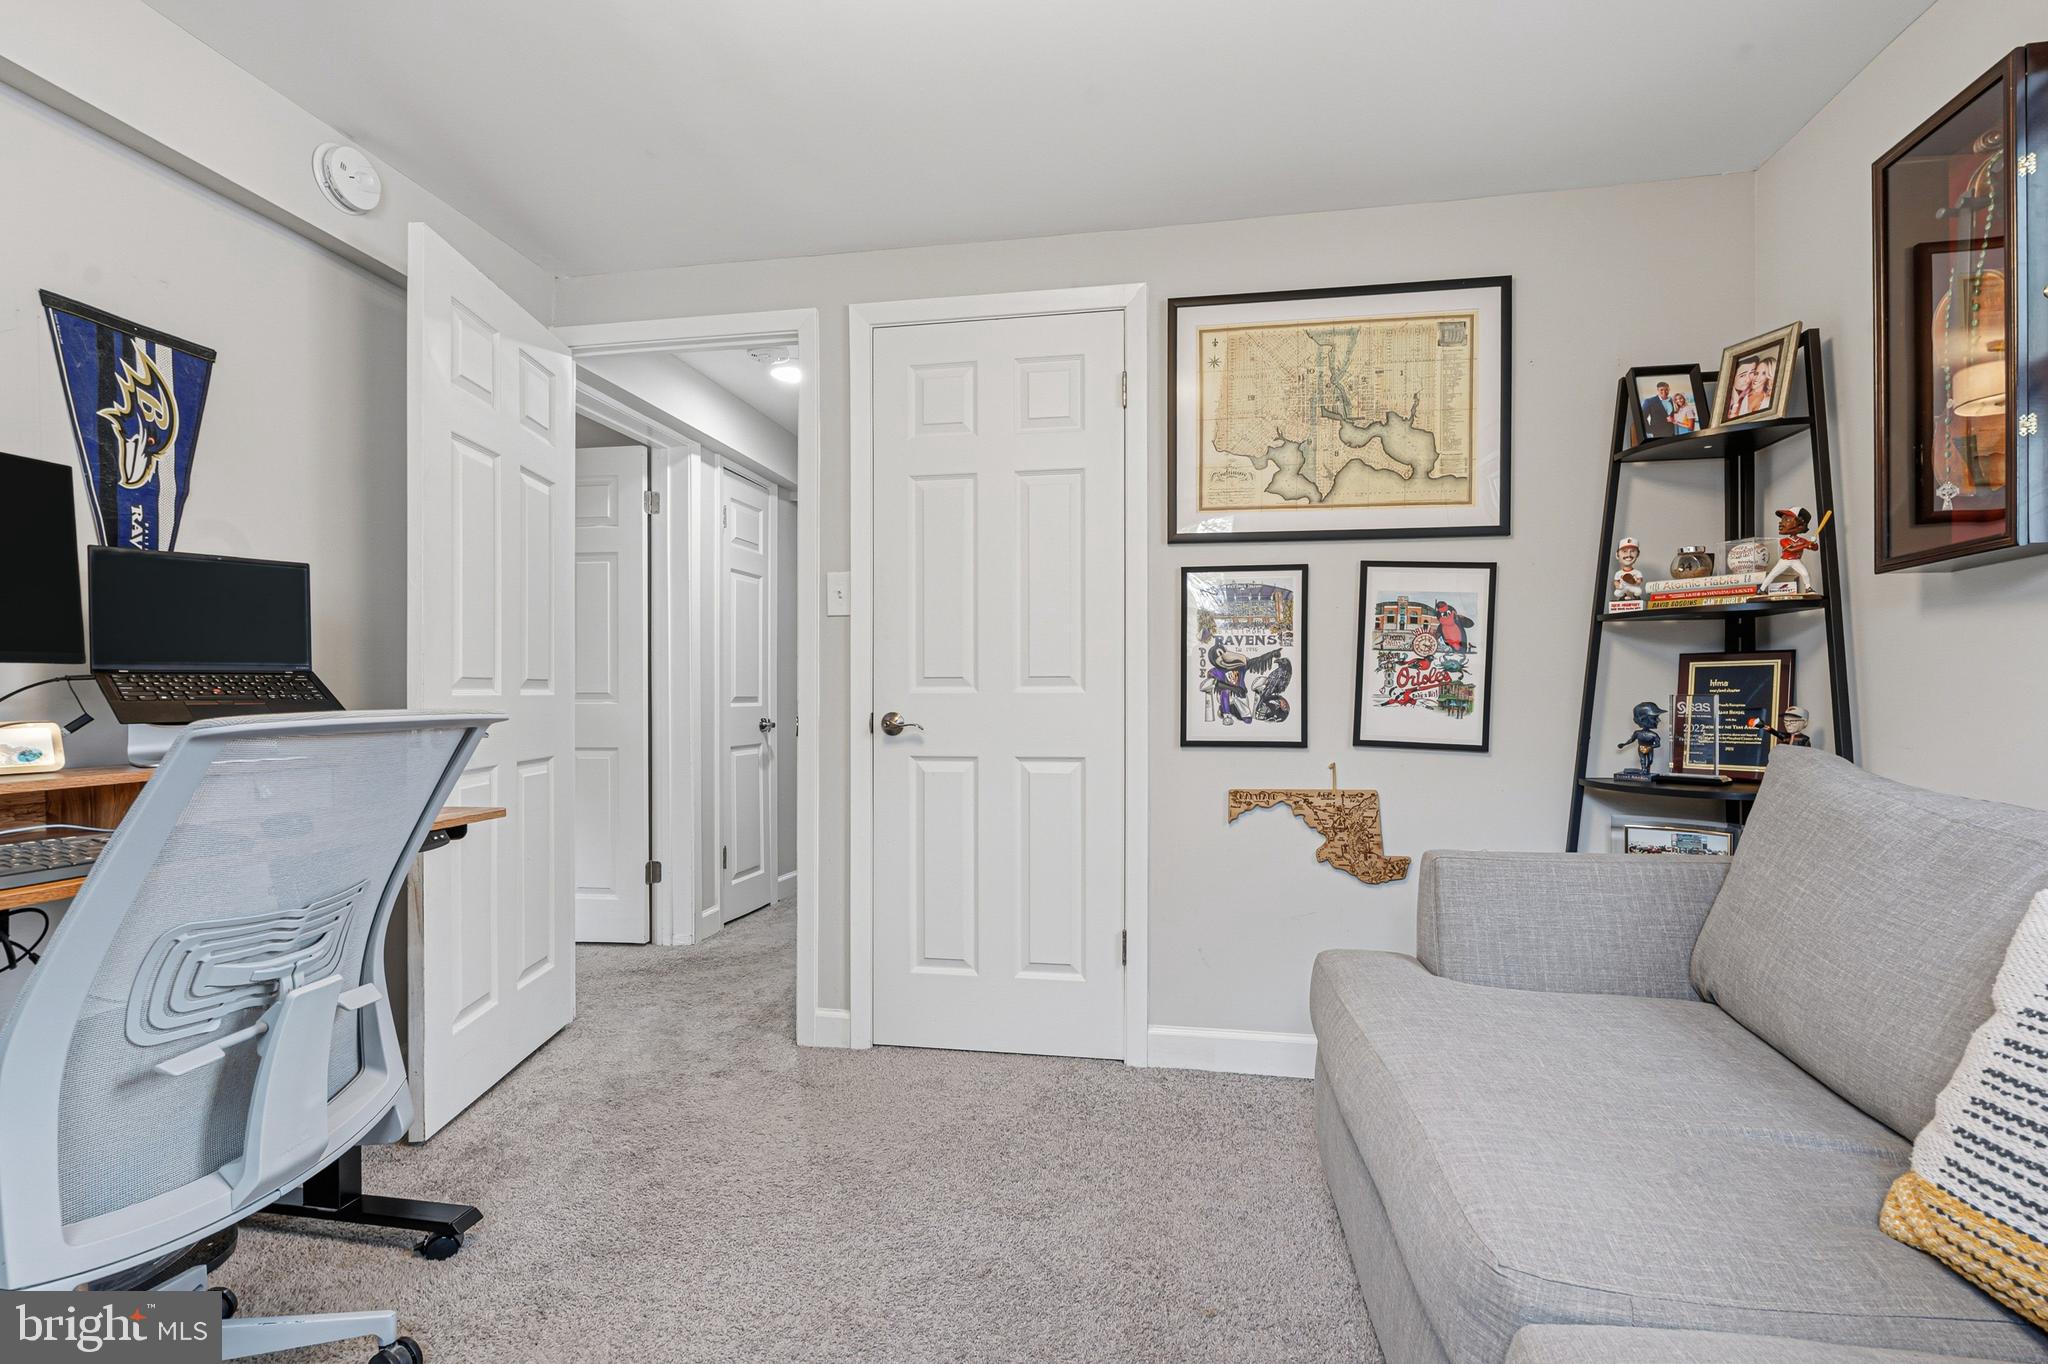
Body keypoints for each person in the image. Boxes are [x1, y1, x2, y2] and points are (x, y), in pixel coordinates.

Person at [1757, 505, 1820, 595]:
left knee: (1805, 573)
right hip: (1784, 561)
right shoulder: (1784, 540)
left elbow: (1815, 548)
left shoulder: (1802, 540)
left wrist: (1813, 543)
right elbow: (1791, 550)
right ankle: (1761, 590)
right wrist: (1806, 545)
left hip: (1796, 561)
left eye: (1787, 520)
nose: (1781, 523)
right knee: (1772, 574)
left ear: (1800, 524)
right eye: (1782, 520)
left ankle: (1808, 588)